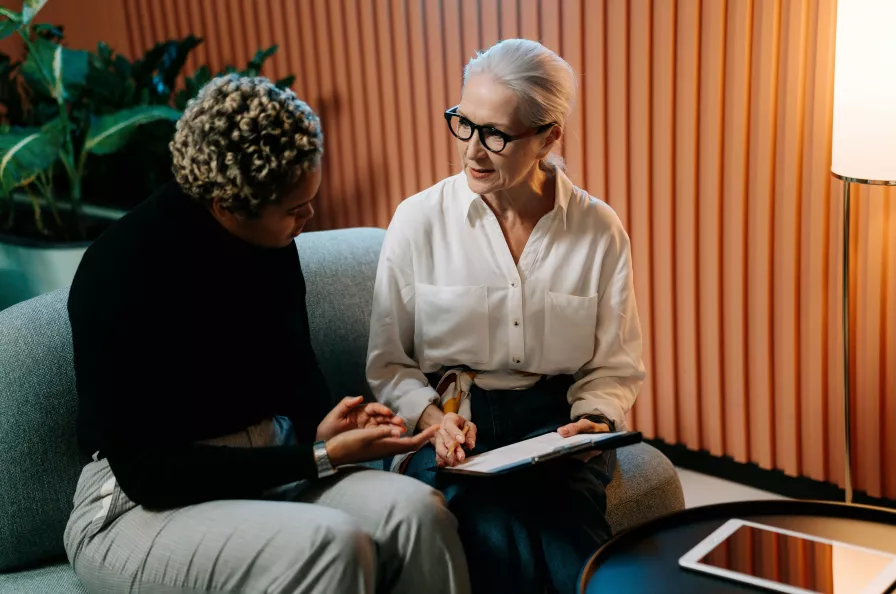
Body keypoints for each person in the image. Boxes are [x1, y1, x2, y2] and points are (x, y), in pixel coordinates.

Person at [65, 74, 470, 594]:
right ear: (227, 206)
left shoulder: (274, 248)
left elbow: (297, 374)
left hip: (266, 468)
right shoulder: (119, 271)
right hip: (138, 505)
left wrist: (323, 427)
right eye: (295, 209)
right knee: (332, 543)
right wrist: (318, 457)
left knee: (417, 512)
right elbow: (150, 472)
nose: (310, 216)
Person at [366, 39, 646, 594]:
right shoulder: (418, 221)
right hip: (454, 420)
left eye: (495, 134)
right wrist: (430, 421)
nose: (473, 151)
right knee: (496, 535)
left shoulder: (598, 229)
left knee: (577, 556)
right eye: (464, 124)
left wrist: (595, 418)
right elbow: (388, 363)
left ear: (548, 136)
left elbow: (613, 366)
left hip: (556, 421)